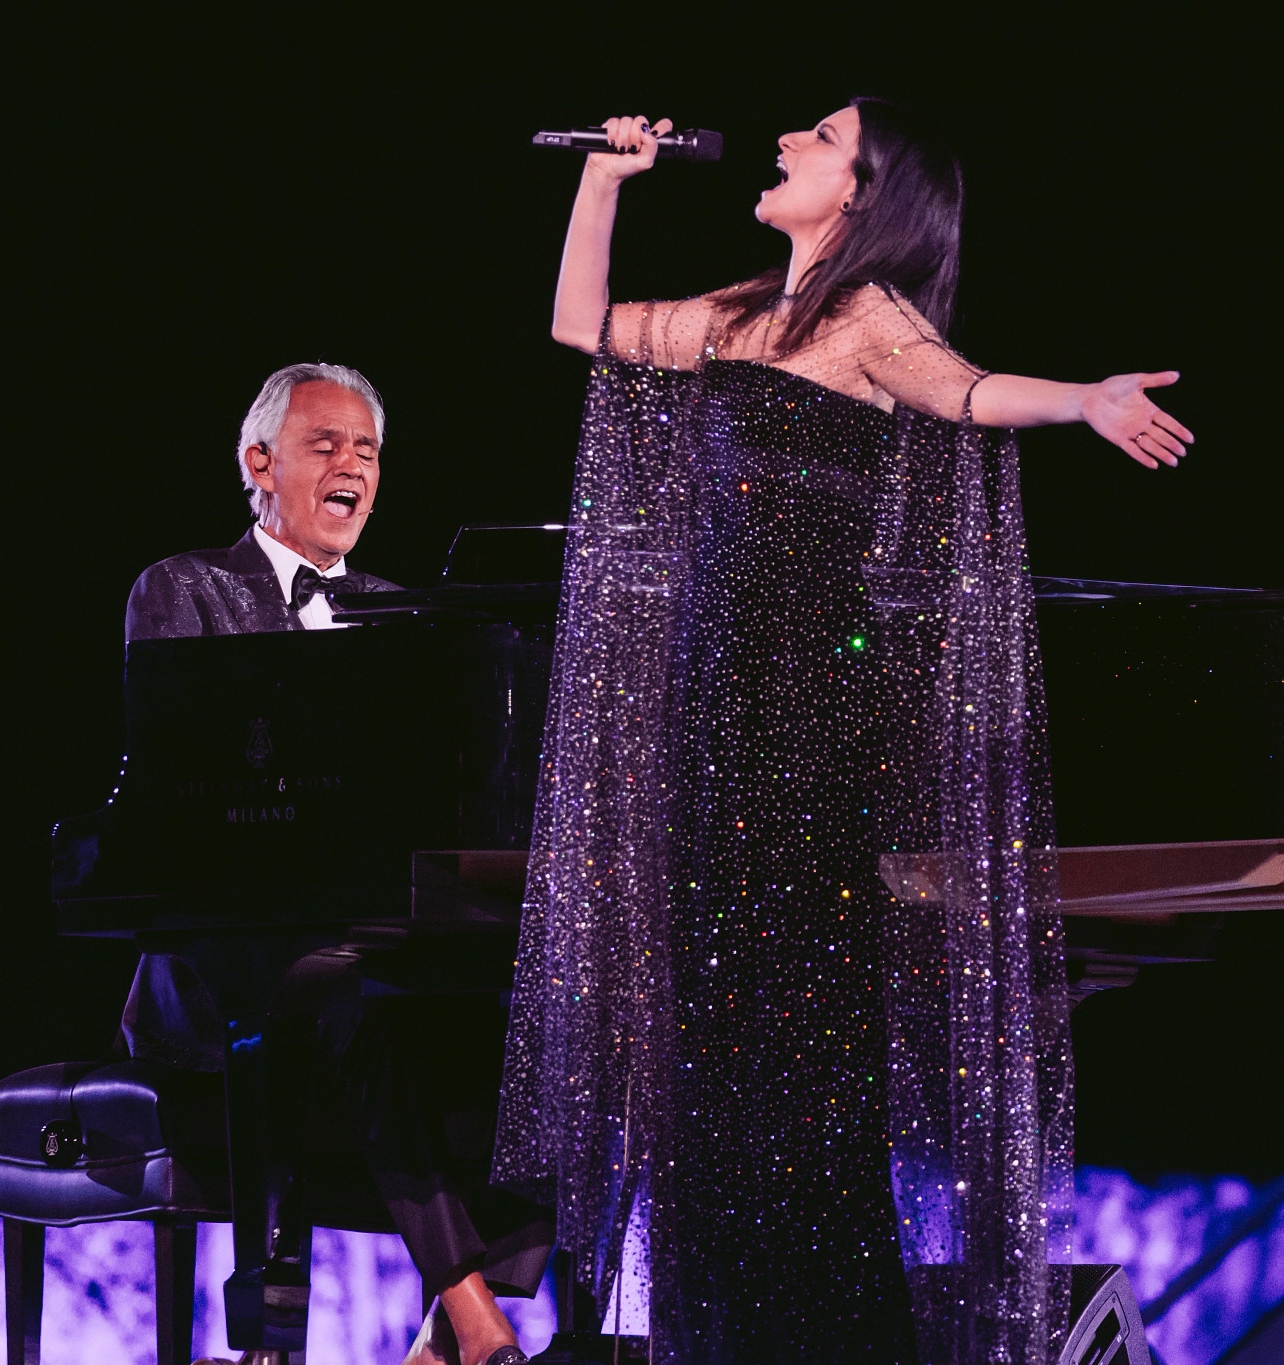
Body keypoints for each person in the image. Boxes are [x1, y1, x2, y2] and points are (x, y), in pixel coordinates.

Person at [494, 102, 1191, 1364]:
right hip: (708, 704)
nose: (781, 143)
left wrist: (1083, 399)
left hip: (804, 709)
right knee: (708, 1032)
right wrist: (602, 182)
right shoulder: (741, 316)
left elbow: (968, 393)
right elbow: (577, 326)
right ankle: (721, 1325)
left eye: (814, 137)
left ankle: (813, 1329)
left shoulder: (868, 321)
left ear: (864, 191)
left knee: (789, 1025)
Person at [127, 363, 546, 1365]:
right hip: (215, 955)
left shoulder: (402, 616)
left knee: (551, 1022)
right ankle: (473, 1318)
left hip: (363, 938)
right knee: (355, 991)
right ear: (258, 463)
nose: (352, 464)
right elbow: (172, 791)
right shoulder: (182, 588)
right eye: (326, 445)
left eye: (368, 450)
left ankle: (444, 1333)